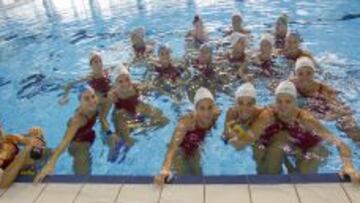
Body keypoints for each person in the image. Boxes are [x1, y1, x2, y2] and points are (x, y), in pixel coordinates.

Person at [232, 81, 360, 179]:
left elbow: (340, 143)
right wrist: (237, 127)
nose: (283, 106)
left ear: (295, 102)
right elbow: (247, 140)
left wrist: (348, 166)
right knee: (267, 165)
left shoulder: (305, 119)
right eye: (279, 101)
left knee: (303, 176)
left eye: (288, 101)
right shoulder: (269, 114)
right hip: (290, 148)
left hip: (312, 150)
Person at [34, 86, 115, 182]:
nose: (92, 101)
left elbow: (109, 98)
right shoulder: (78, 120)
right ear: (80, 102)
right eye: (86, 99)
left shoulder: (98, 103)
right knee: (83, 175)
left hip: (88, 134)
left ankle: (40, 154)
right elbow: (64, 143)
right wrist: (51, 164)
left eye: (93, 96)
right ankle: (39, 156)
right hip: (77, 142)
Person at [154, 87, 220, 185]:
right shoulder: (187, 122)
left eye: (209, 107)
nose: (207, 113)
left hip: (195, 149)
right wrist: (164, 169)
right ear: (196, 109)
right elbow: (172, 148)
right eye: (202, 108)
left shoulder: (215, 115)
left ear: (213, 107)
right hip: (179, 152)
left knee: (199, 178)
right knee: (184, 180)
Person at [291, 57, 360, 141]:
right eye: (300, 73)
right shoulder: (290, 86)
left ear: (314, 73)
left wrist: (335, 115)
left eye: (308, 73)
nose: (304, 77)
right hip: (308, 110)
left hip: (324, 107)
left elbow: (338, 107)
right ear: (295, 74)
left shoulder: (323, 89)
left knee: (347, 121)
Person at [110, 65, 169, 148]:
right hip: (124, 115)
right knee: (127, 141)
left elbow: (151, 88)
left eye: (127, 79)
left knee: (165, 120)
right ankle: (137, 129)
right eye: (120, 81)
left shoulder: (135, 86)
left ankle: (142, 128)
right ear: (115, 84)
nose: (125, 83)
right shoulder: (113, 95)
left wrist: (165, 93)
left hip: (138, 108)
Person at [59, 52, 113, 133]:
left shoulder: (107, 72)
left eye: (100, 61)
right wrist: (65, 97)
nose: (99, 64)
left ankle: (109, 136)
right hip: (97, 100)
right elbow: (69, 84)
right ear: (91, 66)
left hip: (107, 100)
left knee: (102, 119)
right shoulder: (90, 77)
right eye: (96, 62)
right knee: (80, 115)